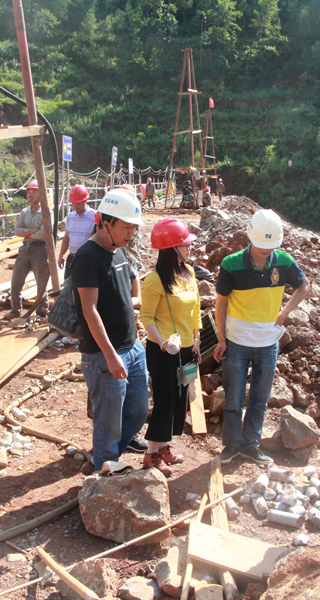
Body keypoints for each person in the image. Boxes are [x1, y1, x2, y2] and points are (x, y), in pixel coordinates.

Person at [214, 209, 309, 464]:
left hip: (268, 343)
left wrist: (286, 312)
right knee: (233, 398)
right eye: (261, 245)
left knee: (260, 399)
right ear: (250, 237)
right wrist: (221, 339)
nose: (265, 251)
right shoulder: (231, 264)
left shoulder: (284, 262)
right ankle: (232, 445)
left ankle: (251, 445)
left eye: (270, 246)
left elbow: (303, 286)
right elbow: (221, 303)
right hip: (237, 342)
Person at [72, 188, 149, 473]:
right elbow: (90, 310)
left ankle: (105, 460)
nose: (131, 233)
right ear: (106, 222)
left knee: (139, 410)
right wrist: (111, 355)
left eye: (133, 227)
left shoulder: (118, 251)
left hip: (132, 347)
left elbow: (124, 296)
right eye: (126, 227)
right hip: (105, 355)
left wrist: (136, 336)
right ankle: (103, 475)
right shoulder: (88, 257)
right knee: (108, 421)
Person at [140, 218, 201, 477]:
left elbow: (196, 309)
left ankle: (164, 448)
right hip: (164, 352)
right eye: (184, 244)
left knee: (178, 401)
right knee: (164, 402)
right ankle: (151, 455)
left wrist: (196, 340)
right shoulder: (154, 280)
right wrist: (163, 342)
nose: (189, 248)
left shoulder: (189, 272)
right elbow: (147, 318)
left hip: (185, 349)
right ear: (171, 249)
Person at [5, 180, 51, 319]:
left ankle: (41, 312)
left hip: (40, 250)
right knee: (16, 280)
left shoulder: (46, 212)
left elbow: (44, 233)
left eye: (34, 191)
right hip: (25, 248)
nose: (30, 195)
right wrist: (32, 231)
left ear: (41, 193)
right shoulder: (25, 212)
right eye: (28, 192)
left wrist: (25, 231)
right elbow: (17, 231)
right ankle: (15, 310)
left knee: (41, 282)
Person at [58, 184, 96, 280]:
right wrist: (61, 255)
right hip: (72, 257)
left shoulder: (94, 216)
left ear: (85, 200)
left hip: (87, 259)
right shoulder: (70, 217)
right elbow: (67, 237)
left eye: (78, 203)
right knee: (68, 286)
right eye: (73, 203)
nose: (75, 206)